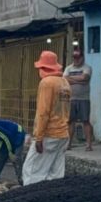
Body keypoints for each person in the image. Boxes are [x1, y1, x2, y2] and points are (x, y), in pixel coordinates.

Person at [21, 50, 71, 185]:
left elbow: (43, 112)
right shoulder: (64, 82)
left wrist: (39, 137)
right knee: (56, 174)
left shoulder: (47, 83)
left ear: (43, 68)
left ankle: (31, 201)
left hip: (49, 134)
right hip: (63, 134)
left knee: (32, 172)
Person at [64, 47, 94, 151]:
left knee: (85, 121)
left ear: (82, 57)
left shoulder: (87, 67)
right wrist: (79, 81)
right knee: (70, 121)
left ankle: (88, 144)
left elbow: (85, 78)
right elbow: (65, 80)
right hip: (71, 98)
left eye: (78, 57)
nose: (76, 59)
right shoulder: (68, 68)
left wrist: (72, 80)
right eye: (74, 57)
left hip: (84, 98)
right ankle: (69, 144)